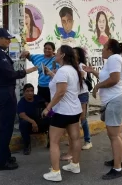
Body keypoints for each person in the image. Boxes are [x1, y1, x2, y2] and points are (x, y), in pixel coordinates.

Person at [0, 28, 37, 171]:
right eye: (6, 38)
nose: (9, 41)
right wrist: (27, 71)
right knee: (6, 129)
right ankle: (1, 162)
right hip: (5, 94)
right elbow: (10, 74)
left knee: (5, 127)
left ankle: (5, 155)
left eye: (9, 39)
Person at [83, 39, 122, 180]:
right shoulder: (113, 59)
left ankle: (117, 168)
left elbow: (114, 79)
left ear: (110, 49)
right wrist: (94, 72)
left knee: (114, 135)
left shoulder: (114, 58)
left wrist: (97, 86)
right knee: (117, 133)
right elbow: (109, 77)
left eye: (104, 47)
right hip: (116, 99)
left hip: (116, 100)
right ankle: (118, 160)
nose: (102, 49)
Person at [41, 45, 83, 182]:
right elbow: (64, 86)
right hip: (74, 110)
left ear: (63, 55)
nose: (55, 54)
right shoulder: (72, 70)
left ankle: (55, 171)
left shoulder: (63, 71)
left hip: (62, 111)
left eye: (57, 52)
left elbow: (61, 92)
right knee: (75, 138)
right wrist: (52, 74)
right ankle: (75, 164)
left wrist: (48, 108)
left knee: (54, 141)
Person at [60, 47, 92, 161]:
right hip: (74, 94)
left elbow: (82, 75)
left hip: (82, 94)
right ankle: (74, 141)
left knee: (82, 118)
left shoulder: (81, 65)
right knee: (74, 120)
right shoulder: (69, 66)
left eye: (75, 53)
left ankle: (88, 140)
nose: (73, 55)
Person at [17, 83, 50, 155]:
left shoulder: (38, 98)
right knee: (23, 123)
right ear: (24, 92)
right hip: (30, 126)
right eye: (27, 91)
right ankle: (27, 146)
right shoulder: (22, 102)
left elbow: (47, 104)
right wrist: (33, 122)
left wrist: (50, 112)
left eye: (31, 91)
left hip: (39, 124)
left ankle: (51, 142)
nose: (30, 93)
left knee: (52, 119)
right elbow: (22, 115)